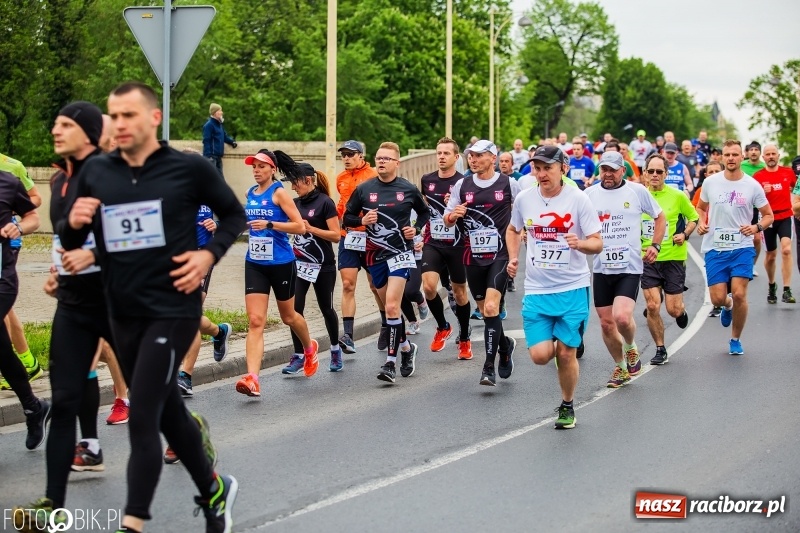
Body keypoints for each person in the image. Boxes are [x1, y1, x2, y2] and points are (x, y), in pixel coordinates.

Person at [58, 81, 244, 533]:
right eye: (113, 116)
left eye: (128, 115)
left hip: (174, 308)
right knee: (167, 413)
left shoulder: (188, 169)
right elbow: (77, 239)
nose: (119, 124)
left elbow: (233, 216)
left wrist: (207, 255)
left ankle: (133, 522)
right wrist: (73, 226)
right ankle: (214, 488)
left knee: (143, 413)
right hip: (121, 310)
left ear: (153, 118)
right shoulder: (97, 172)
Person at [506, 145, 602, 428]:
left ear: (563, 168)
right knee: (539, 356)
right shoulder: (525, 199)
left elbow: (597, 242)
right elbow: (513, 229)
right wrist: (513, 257)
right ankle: (555, 347)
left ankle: (567, 404)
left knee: (566, 353)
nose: (542, 173)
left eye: (548, 167)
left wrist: (580, 243)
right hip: (537, 290)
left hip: (573, 287)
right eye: (537, 168)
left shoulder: (578, 199)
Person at [343, 141, 429, 383]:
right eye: (378, 158)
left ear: (397, 163)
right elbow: (346, 218)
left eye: (386, 158)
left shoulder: (408, 189)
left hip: (400, 254)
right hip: (374, 257)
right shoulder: (364, 189)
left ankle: (390, 363)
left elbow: (424, 213)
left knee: (392, 307)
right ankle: (406, 348)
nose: (381, 161)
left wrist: (416, 229)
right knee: (390, 309)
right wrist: (362, 220)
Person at [236, 149, 319, 391]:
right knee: (255, 320)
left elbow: (300, 227)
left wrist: (271, 224)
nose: (256, 170)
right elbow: (247, 222)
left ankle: (309, 348)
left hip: (281, 263)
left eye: (262, 166)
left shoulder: (279, 193)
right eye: (254, 166)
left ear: (273, 169)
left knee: (288, 316)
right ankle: (252, 378)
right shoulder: (250, 193)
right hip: (255, 263)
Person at [444, 140, 520, 386]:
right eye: (470, 156)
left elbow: (523, 215)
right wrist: (453, 215)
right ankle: (505, 345)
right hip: (472, 256)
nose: (472, 160)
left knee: (490, 308)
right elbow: (447, 219)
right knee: (488, 313)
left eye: (478, 156)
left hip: (499, 255)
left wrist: (521, 242)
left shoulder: (509, 184)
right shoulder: (462, 185)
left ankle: (489, 366)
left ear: (492, 158)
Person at [585, 152, 665, 388]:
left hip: (629, 265)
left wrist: (655, 245)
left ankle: (630, 346)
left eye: (613, 170)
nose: (608, 174)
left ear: (623, 171)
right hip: (601, 267)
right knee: (606, 323)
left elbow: (660, 218)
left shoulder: (637, 191)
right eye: (604, 170)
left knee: (621, 317)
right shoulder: (589, 195)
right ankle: (620, 367)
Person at [695, 140, 774, 356]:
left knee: (740, 294)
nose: (731, 158)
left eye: (735, 155)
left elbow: (769, 215)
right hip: (715, 247)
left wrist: (756, 227)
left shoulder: (752, 185)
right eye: (727, 154)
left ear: (742, 158)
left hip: (742, 247)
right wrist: (702, 222)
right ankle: (727, 306)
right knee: (718, 299)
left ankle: (735, 339)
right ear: (722, 157)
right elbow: (700, 208)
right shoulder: (711, 183)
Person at [639, 153, 699, 365]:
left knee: (672, 310)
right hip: (648, 259)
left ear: (666, 174)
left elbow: (694, 218)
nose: (655, 175)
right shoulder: (638, 196)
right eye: (651, 171)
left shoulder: (678, 196)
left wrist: (684, 234)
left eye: (659, 171)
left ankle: (680, 311)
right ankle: (660, 348)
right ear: (645, 174)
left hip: (673, 257)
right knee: (653, 306)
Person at [419, 138, 472, 359]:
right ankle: (442, 327)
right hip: (434, 242)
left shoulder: (464, 183)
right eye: (439, 153)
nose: (441, 156)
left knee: (459, 293)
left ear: (456, 157)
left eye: (446, 153)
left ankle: (465, 338)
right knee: (429, 287)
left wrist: (456, 206)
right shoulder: (427, 180)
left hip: (458, 244)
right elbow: (423, 208)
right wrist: (418, 231)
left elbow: (472, 212)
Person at [287, 163, 342, 371]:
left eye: (295, 182)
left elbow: (336, 236)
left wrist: (311, 228)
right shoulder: (294, 204)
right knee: (294, 310)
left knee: (326, 308)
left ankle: (335, 350)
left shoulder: (325, 202)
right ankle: (299, 354)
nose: (293, 187)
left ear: (308, 180)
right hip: (299, 264)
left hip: (323, 266)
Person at [334, 140, 384, 354]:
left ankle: (387, 325)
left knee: (375, 286)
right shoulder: (341, 178)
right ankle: (348, 335)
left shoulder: (373, 176)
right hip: (349, 235)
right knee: (347, 285)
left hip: (372, 238)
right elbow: (341, 205)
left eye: (350, 154)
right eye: (343, 154)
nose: (346, 158)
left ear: (361, 156)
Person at [0, 152, 42, 391]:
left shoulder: (11, 166)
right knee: (7, 309)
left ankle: (23, 363)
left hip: (7, 242)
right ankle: (26, 361)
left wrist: (12, 213)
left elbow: (35, 199)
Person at [753, 144, 797, 304]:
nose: (771, 156)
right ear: (763, 157)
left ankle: (787, 289)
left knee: (786, 250)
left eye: (773, 154)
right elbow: (751, 199)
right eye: (768, 154)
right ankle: (772, 285)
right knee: (771, 256)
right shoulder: (758, 177)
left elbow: (797, 187)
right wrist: (761, 192)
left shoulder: (788, 173)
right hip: (767, 219)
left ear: (778, 156)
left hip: (785, 215)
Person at [740, 141, 766, 275]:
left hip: (757, 207)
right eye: (751, 150)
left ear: (760, 153)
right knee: (740, 234)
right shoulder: (741, 165)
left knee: (756, 238)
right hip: (742, 206)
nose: (754, 152)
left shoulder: (764, 167)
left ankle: (752, 265)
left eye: (756, 149)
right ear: (747, 152)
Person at [202, 103, 236, 177]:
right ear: (215, 113)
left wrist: (232, 142)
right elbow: (206, 140)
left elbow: (224, 137)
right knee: (212, 179)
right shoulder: (209, 125)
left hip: (218, 156)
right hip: (211, 157)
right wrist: (208, 157)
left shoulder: (219, 125)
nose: (222, 113)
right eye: (220, 111)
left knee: (220, 180)